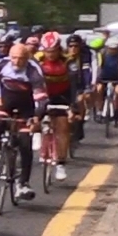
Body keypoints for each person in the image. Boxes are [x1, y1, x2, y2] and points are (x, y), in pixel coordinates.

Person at [0, 38, 49, 202]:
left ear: (28, 57)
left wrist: (37, 117)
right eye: (14, 58)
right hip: (5, 103)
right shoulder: (2, 64)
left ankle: (23, 182)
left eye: (21, 58)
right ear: (10, 56)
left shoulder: (33, 70)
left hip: (26, 107)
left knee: (25, 143)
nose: (17, 61)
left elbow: (41, 97)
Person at [35, 32, 76, 177]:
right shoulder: (37, 60)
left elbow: (74, 85)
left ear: (59, 49)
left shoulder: (68, 61)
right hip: (43, 94)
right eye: (47, 51)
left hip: (62, 96)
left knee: (63, 128)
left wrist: (73, 106)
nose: (50, 55)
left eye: (53, 51)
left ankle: (60, 163)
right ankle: (38, 133)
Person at [92, 33, 118, 118]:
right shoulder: (102, 53)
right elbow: (99, 66)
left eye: (115, 48)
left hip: (117, 78)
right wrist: (95, 79)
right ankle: (100, 110)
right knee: (99, 90)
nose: (113, 50)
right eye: (111, 48)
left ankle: (117, 110)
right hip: (103, 77)